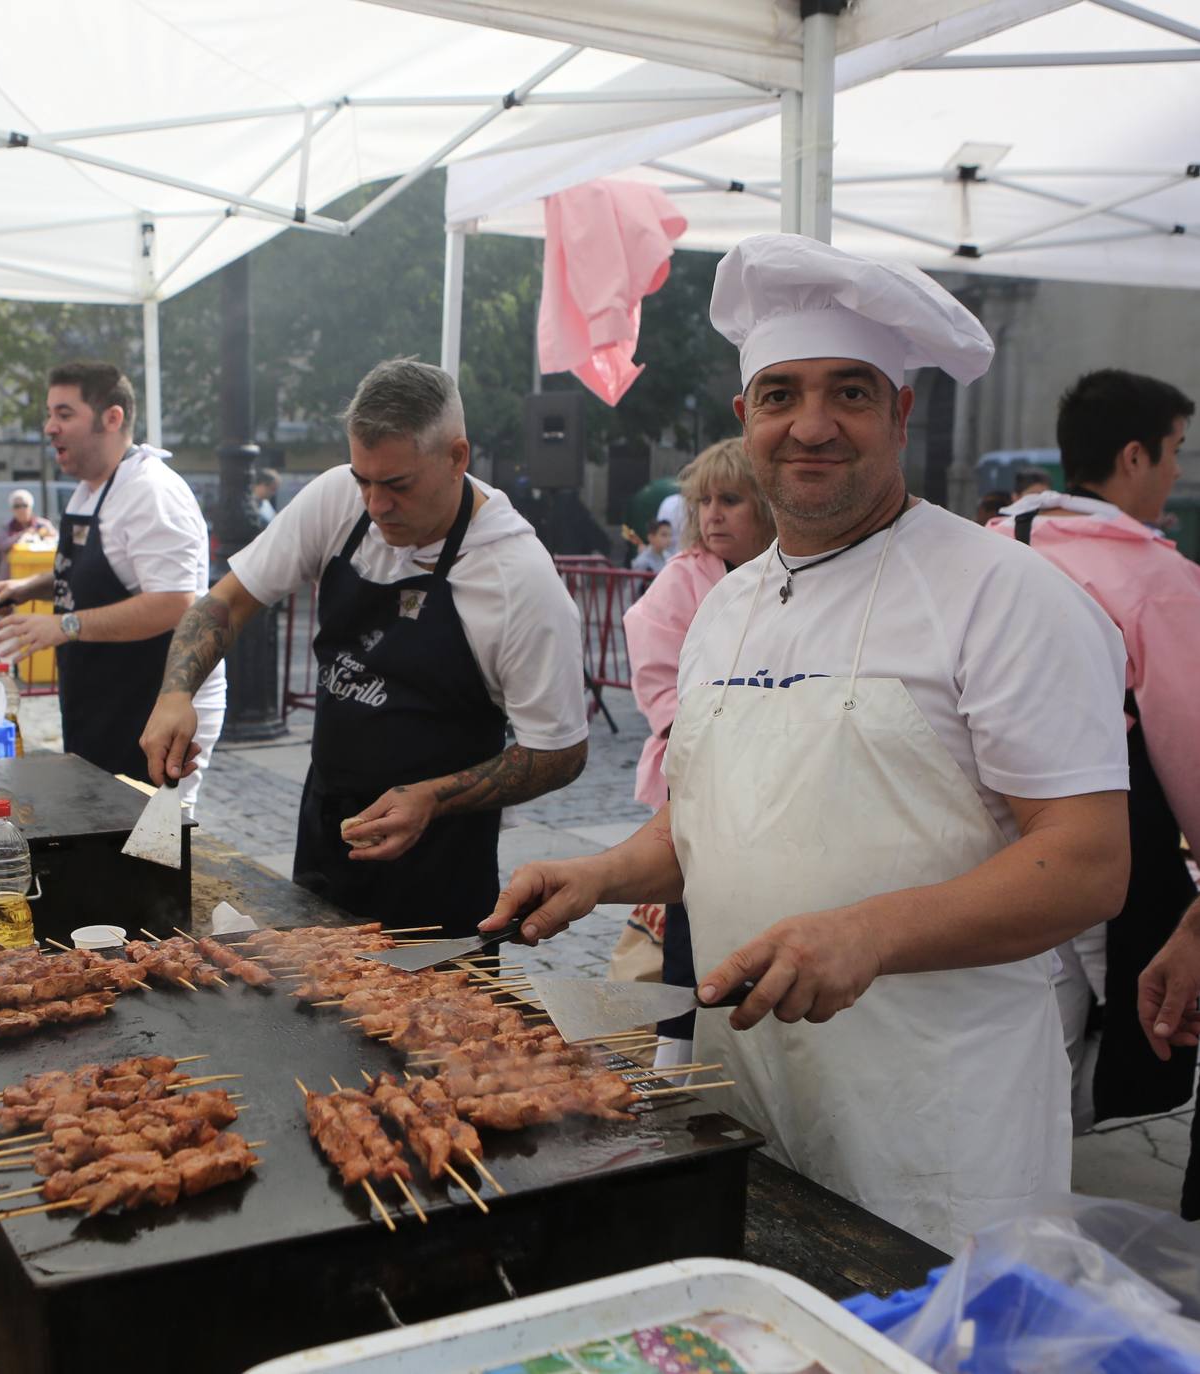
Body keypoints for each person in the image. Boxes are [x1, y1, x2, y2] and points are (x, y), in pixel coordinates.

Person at [481, 233, 1132, 1250]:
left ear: (900, 412)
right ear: (746, 419)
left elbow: (1088, 865)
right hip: (742, 1083)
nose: (812, 425)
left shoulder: (1008, 597)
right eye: (781, 394)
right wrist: (601, 872)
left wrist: (866, 933)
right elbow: (712, 824)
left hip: (934, 1118)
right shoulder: (724, 607)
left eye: (851, 393)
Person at [141, 359, 589, 929]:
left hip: (440, 866)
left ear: (457, 457)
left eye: (398, 485)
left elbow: (561, 751)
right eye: (364, 480)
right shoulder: (338, 500)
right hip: (325, 825)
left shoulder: (518, 579)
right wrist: (176, 692)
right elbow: (225, 602)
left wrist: (431, 798)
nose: (375, 506)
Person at [997, 369, 1199, 1143]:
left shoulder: (991, 543)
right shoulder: (1153, 579)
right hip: (1077, 837)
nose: (1178, 471)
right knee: (1053, 1037)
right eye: (1174, 450)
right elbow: (1187, 738)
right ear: (1133, 456)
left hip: (962, 835)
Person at [0, 362, 226, 802]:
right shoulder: (90, 489)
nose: (49, 428)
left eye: (64, 414)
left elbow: (174, 602)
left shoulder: (150, 491)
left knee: (148, 855)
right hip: (103, 702)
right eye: (49, 414)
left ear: (112, 418)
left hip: (153, 711)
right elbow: (96, 573)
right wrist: (27, 589)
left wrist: (63, 625)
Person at [620, 439, 775, 1062]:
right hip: (697, 776)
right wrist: (696, 728)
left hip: (767, 782)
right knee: (688, 915)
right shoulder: (686, 576)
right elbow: (655, 668)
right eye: (703, 501)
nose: (712, 515)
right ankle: (676, 1048)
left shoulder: (783, 573)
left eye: (730, 500)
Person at [0, 487, 57, 581]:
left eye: (24, 505)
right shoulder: (7, 526)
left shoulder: (43, 524)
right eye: (17, 506)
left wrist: (48, 535)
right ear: (12, 509)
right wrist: (21, 535)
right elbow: (1, 545)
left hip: (40, 574)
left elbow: (56, 540)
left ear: (31, 507)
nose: (21, 509)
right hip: (12, 575)